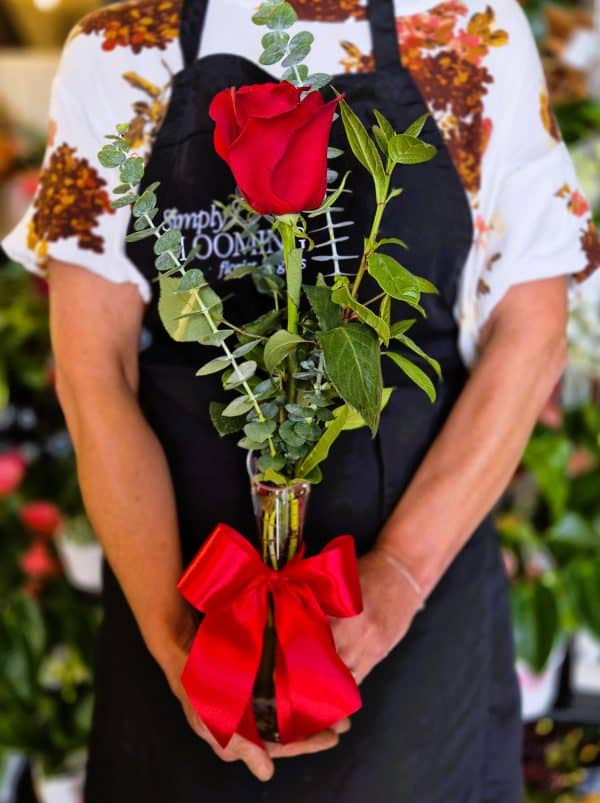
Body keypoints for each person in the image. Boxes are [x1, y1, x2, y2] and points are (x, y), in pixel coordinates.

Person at [3, 0, 599, 800]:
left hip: (416, 628)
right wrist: (180, 644)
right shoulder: (117, 51)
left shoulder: (466, 30)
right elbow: (92, 372)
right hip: (186, 596)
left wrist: (395, 582)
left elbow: (531, 337)